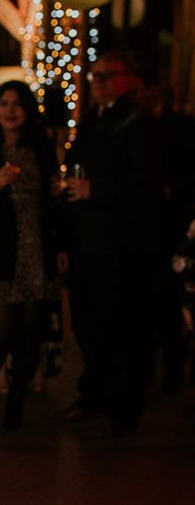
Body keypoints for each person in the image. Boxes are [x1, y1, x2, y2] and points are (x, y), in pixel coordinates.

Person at [62, 51, 166, 437]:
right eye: (96, 75)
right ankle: (95, 396)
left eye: (109, 75)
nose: (101, 81)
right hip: (88, 242)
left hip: (123, 246)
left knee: (122, 328)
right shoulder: (93, 120)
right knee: (90, 326)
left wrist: (96, 189)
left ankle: (122, 410)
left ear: (127, 79)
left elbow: (149, 184)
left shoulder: (138, 123)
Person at [0, 80, 59, 431]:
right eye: (4, 103)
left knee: (30, 333)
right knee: (0, 332)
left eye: (17, 104)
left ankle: (17, 401)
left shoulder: (42, 146)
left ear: (27, 110)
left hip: (35, 249)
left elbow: (52, 198)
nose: (10, 110)